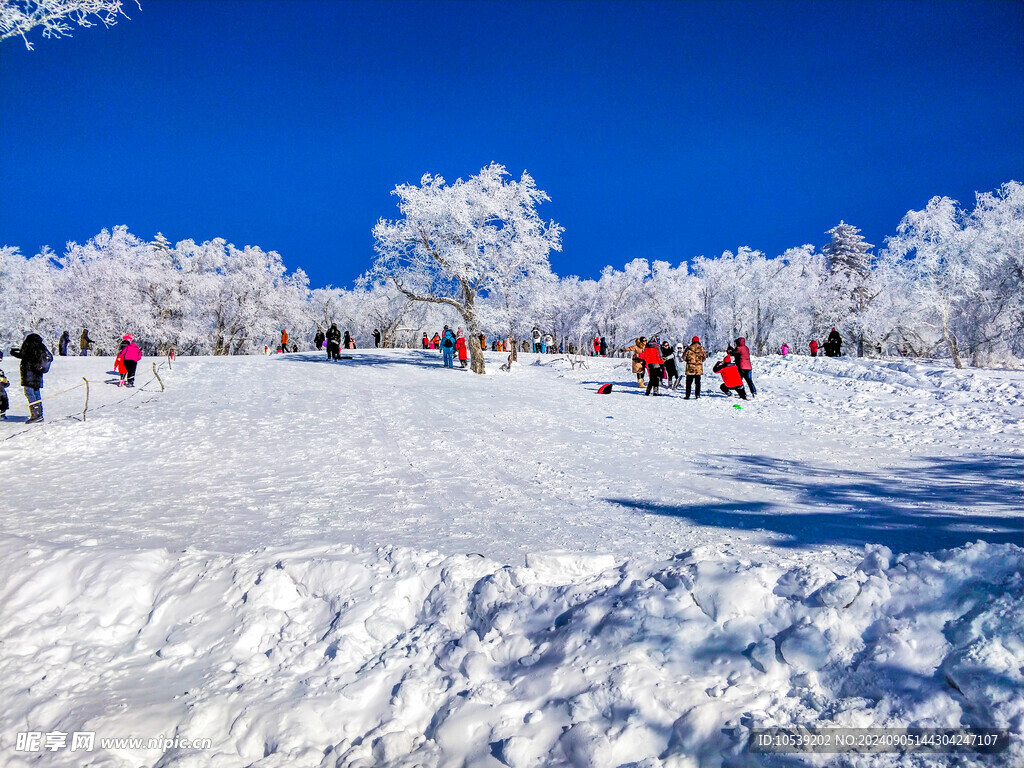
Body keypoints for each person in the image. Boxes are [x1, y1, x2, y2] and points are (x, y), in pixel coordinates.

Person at [10, 333, 52, 423]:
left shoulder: (29, 344)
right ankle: (39, 414)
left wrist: (14, 352)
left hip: (29, 373)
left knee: (30, 394)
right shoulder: (41, 346)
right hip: (37, 374)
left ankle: (35, 415)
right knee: (36, 394)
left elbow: (24, 355)